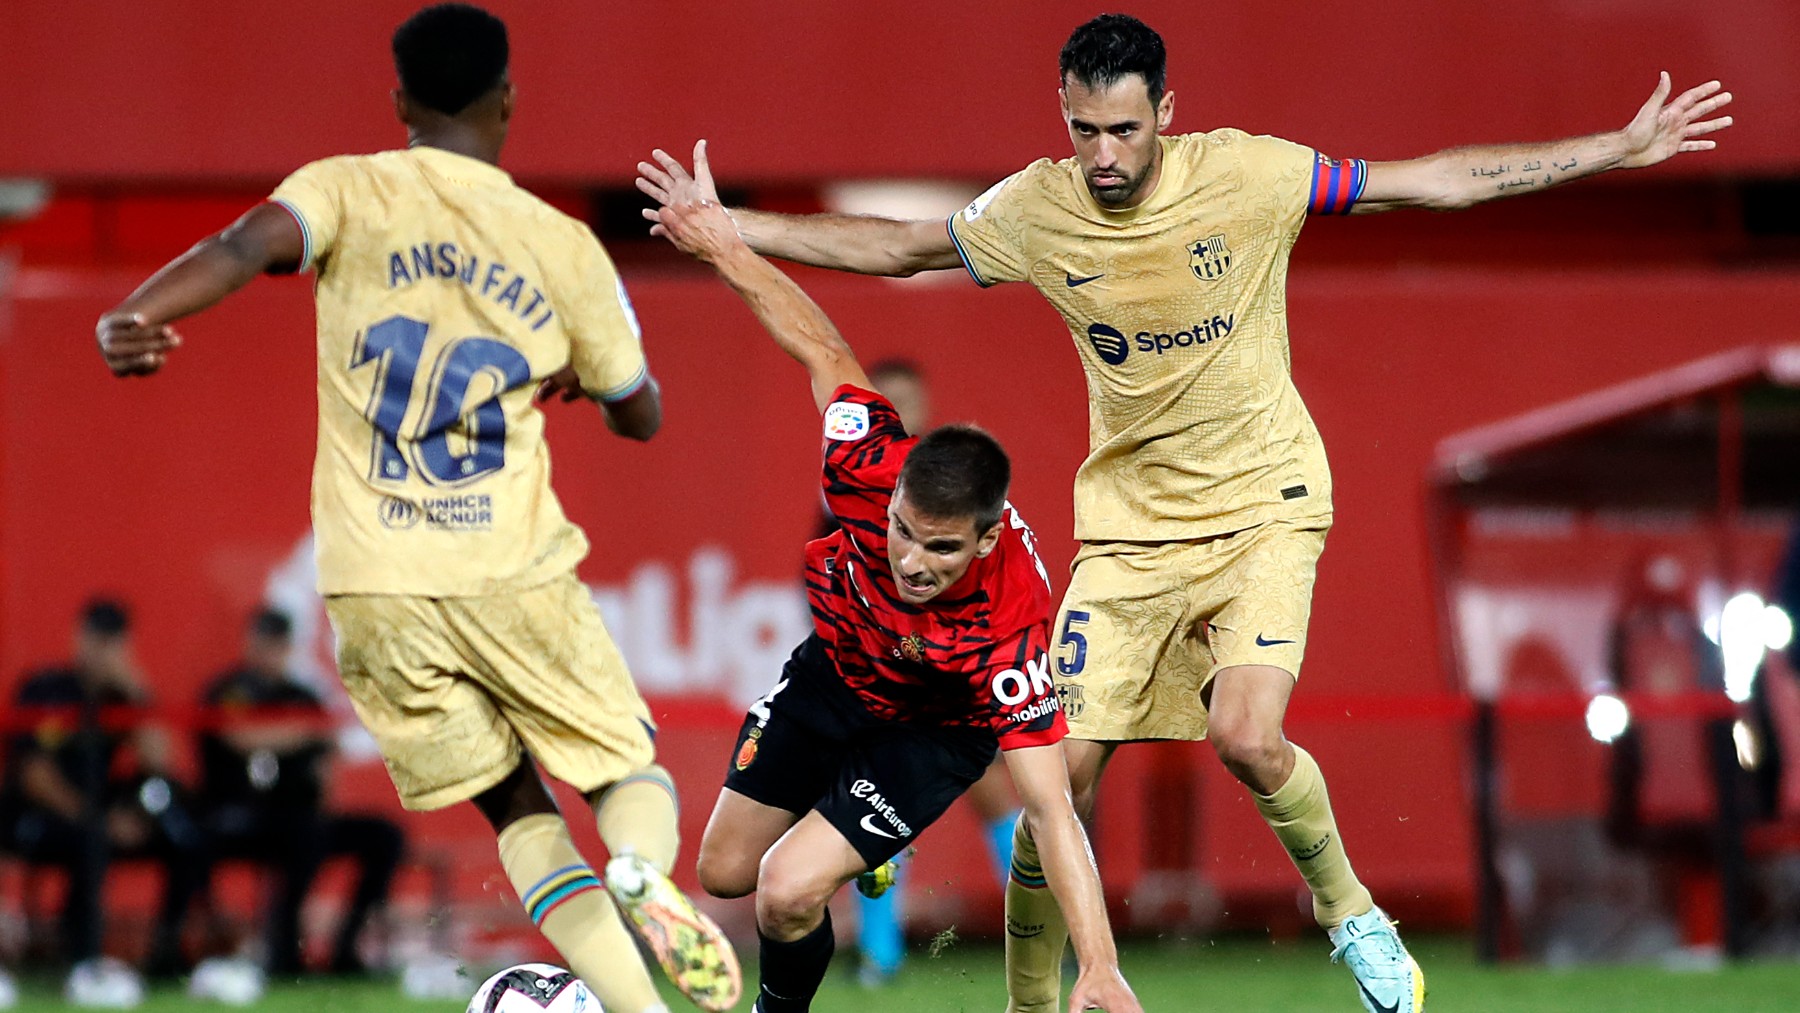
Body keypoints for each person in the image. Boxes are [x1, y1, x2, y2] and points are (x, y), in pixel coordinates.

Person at [633, 14, 1734, 1013]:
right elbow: (900, 246)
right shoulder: (1039, 208)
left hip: (1265, 502)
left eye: (1120, 129)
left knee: (1248, 735)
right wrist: (736, 225)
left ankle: (1349, 910)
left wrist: (1612, 150)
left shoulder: (1252, 176)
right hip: (1128, 528)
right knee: (1051, 786)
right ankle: (1035, 1001)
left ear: (1167, 112)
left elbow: (1431, 182)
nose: (1101, 156)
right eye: (1081, 130)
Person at [91, 6, 739, 1012]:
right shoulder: (559, 244)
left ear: (398, 102)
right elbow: (641, 413)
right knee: (622, 772)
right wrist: (575, 371)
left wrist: (139, 313)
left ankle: (637, 1008)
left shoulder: (345, 189)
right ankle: (645, 870)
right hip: (507, 567)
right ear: (509, 101)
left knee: (513, 802)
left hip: (373, 583)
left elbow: (245, 242)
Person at [646, 154, 1140, 1013]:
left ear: (986, 539)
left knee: (785, 892)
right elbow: (818, 342)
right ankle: (862, 849)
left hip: (930, 730)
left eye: (940, 549)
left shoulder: (1012, 631)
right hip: (836, 674)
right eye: (902, 531)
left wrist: (1099, 964)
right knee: (722, 872)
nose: (912, 560)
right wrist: (717, 243)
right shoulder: (868, 462)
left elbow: (1054, 811)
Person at [838, 359, 1024, 988]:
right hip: (892, 678)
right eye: (889, 402)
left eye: (909, 400)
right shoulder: (863, 498)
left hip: (960, 673)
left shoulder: (960, 496)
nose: (902, 412)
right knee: (881, 810)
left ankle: (1039, 931)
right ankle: (879, 953)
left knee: (1002, 795)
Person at [0, 599, 208, 1001]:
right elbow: (35, 777)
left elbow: (158, 760)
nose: (102, 649)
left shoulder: (120, 695)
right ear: (79, 637)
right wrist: (97, 819)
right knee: (91, 842)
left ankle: (165, 952)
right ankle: (81, 961)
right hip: (36, 818)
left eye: (113, 641)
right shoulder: (45, 688)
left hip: (100, 815)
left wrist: (135, 689)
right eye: (96, 638)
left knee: (186, 839)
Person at [196, 608, 405, 977]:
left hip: (301, 817)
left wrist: (312, 757)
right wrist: (303, 733)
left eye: (278, 643)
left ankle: (346, 948)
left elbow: (327, 762)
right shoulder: (229, 690)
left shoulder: (302, 696)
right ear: (251, 641)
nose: (270, 652)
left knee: (384, 836)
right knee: (303, 835)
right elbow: (240, 736)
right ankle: (282, 954)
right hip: (240, 816)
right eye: (264, 641)